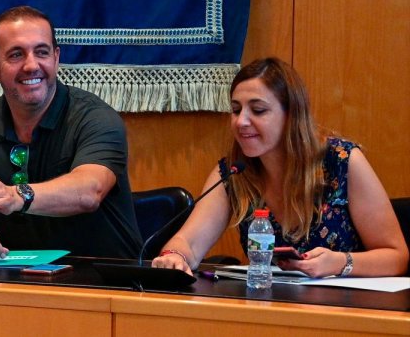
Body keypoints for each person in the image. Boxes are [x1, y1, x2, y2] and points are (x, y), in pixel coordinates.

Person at [152, 57, 408, 278]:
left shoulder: (341, 161)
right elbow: (188, 243)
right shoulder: (234, 172)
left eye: (258, 110)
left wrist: (339, 262)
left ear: (291, 116)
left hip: (348, 312)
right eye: (236, 109)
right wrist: (174, 256)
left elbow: (396, 257)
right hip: (271, 308)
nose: (241, 121)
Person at [0, 6, 141, 260]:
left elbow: (89, 191)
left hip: (105, 285)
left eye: (42, 52)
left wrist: (15, 195)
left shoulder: (96, 118)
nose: (32, 65)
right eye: (16, 55)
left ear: (56, 58)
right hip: (19, 284)